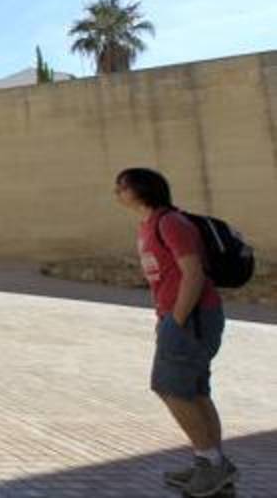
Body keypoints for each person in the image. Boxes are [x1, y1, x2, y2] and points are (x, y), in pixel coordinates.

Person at [115, 168, 234, 496]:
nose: (117, 192)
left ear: (141, 189)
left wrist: (175, 320)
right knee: (194, 391)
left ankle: (211, 463)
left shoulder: (171, 223)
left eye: (122, 186)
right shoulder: (149, 225)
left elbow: (193, 274)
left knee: (170, 387)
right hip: (183, 317)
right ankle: (212, 464)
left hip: (191, 318)